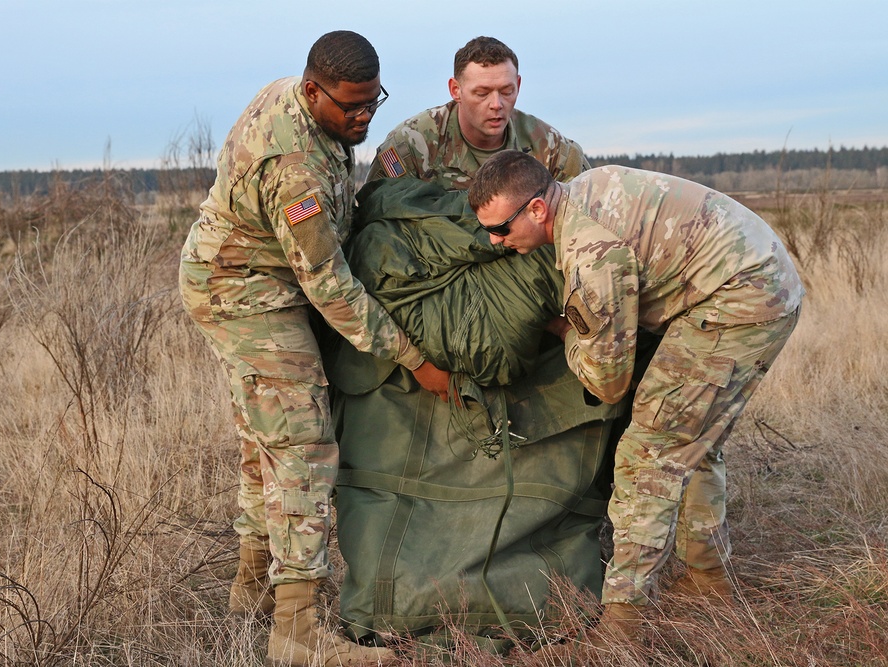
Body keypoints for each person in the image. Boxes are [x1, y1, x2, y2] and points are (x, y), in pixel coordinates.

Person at [178, 30, 449, 667]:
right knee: (301, 441)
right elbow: (328, 284)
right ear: (311, 91)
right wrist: (415, 358)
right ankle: (296, 636)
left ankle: (249, 589)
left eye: (372, 104)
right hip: (242, 289)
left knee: (263, 436)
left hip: (260, 276)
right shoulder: (291, 164)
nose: (362, 118)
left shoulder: (315, 108)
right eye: (349, 108)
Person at [468, 150, 803, 657]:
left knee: (649, 452)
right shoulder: (582, 190)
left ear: (537, 210)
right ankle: (708, 584)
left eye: (501, 228)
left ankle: (622, 627)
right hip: (755, 278)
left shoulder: (592, 256)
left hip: (742, 300)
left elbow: (607, 382)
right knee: (692, 443)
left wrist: (564, 330)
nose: (496, 241)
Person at [365, 36, 589, 190]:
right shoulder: (412, 144)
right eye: (482, 93)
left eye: (507, 91)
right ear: (456, 90)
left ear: (518, 85)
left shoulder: (550, 148)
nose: (496, 104)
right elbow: (377, 218)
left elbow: (588, 214)